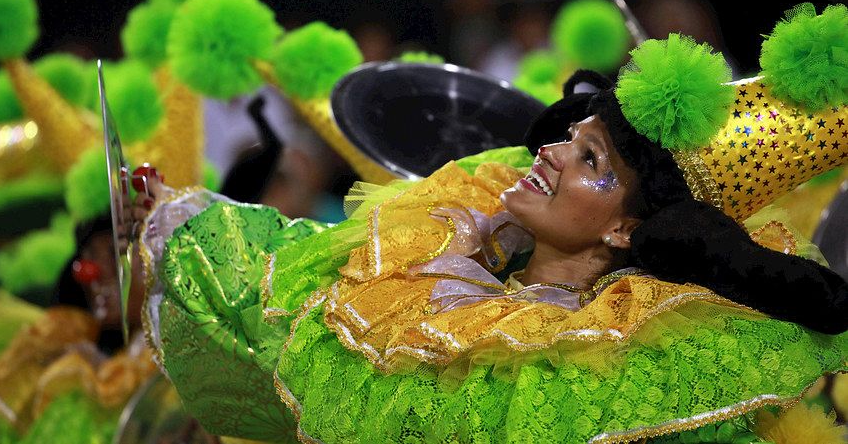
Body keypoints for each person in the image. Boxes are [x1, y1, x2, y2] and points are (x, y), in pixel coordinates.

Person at [121, 24, 848, 443]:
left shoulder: (620, 380)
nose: (554, 150)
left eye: (590, 158)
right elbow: (271, 280)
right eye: (571, 136)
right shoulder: (433, 267)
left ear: (627, 228)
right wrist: (170, 212)